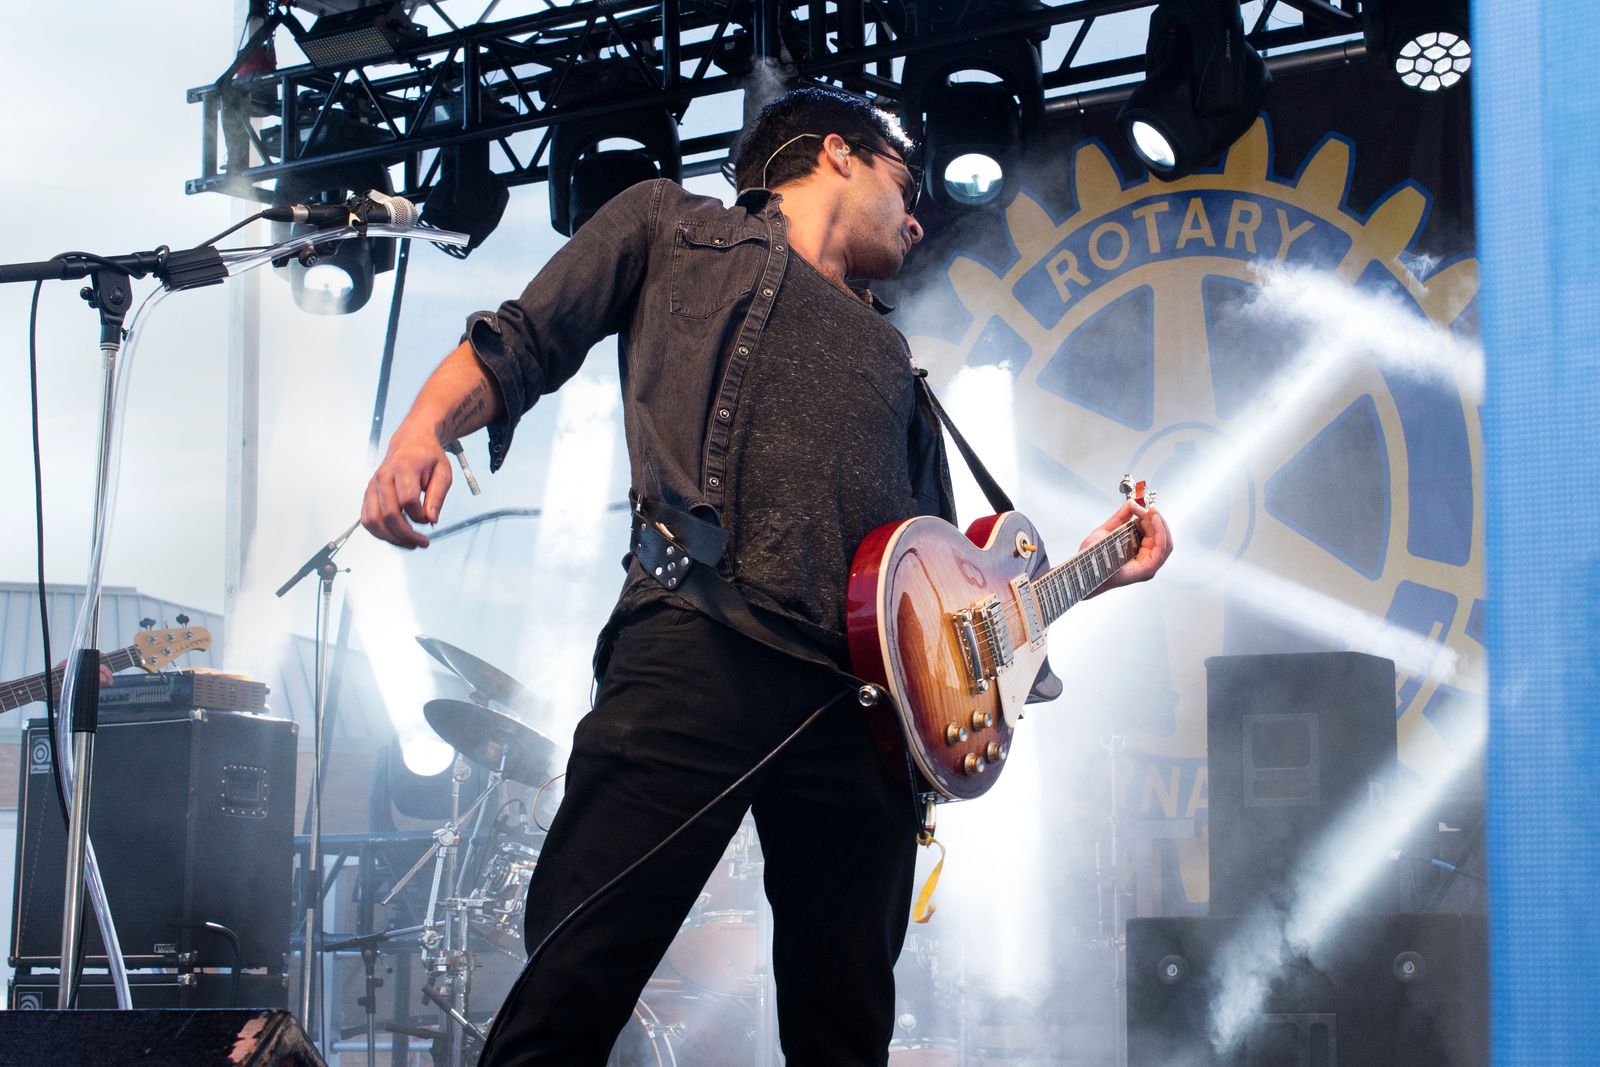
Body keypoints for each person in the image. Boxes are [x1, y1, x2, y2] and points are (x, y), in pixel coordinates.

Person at [361, 86, 1172, 1066]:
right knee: (569, 991)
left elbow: (959, 600)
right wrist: (424, 427)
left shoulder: (899, 364)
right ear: (837, 153)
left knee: (845, 1040)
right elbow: (525, 334)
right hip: (697, 641)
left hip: (859, 713)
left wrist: (1088, 574)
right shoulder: (670, 224)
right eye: (904, 185)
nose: (917, 219)